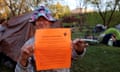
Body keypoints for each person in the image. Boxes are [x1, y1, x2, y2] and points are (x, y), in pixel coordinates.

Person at [15, 6, 88, 72]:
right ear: (34, 24)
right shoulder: (29, 44)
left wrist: (79, 50)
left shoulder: (61, 38)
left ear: (50, 23)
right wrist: (23, 60)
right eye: (38, 20)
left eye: (45, 19)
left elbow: (74, 56)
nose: (41, 23)